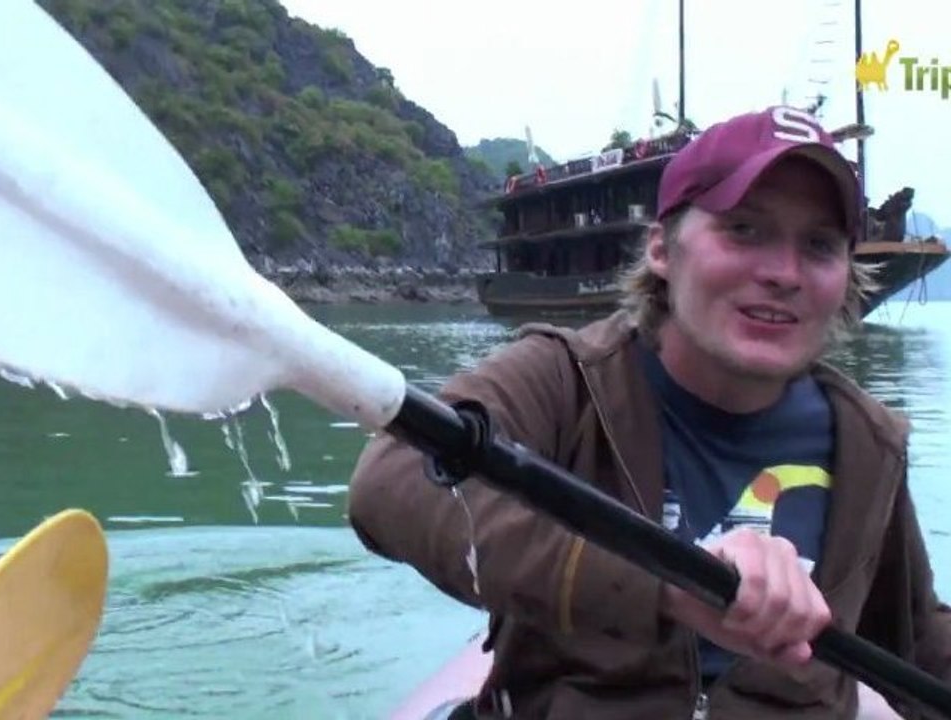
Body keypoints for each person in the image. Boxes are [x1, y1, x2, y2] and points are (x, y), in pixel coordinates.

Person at [348, 106, 951, 719]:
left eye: (819, 245)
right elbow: (390, 482)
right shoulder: (568, 380)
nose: (783, 274)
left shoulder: (868, 442)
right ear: (662, 249)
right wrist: (665, 582)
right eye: (744, 230)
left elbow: (913, 638)